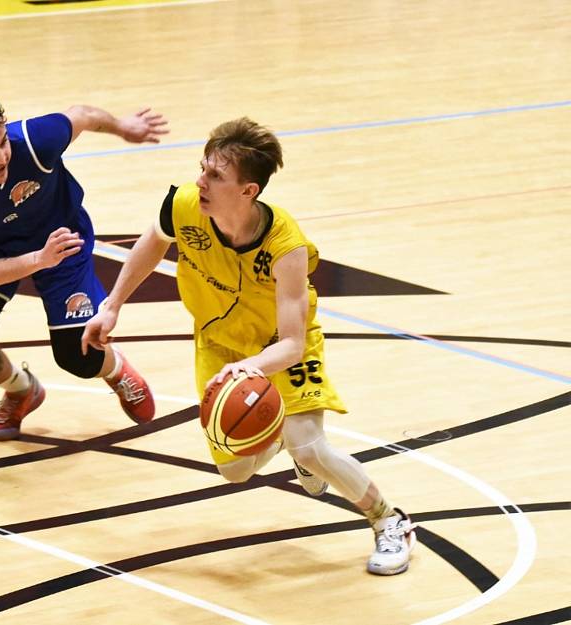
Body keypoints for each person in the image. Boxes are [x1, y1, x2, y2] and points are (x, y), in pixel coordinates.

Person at [81, 117, 416, 575]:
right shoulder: (182, 205)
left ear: (248, 190)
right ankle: (289, 440)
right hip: (218, 346)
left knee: (312, 446)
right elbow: (152, 243)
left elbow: (294, 343)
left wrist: (253, 368)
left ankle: (388, 520)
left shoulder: (285, 247)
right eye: (202, 168)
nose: (201, 181)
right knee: (235, 470)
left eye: (215, 175)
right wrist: (112, 305)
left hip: (278, 346)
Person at [0, 89, 166, 441]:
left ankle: (117, 371)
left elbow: (82, 112)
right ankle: (22, 390)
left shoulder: (36, 143)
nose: (1, 156)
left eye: (2, 142)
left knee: (77, 357)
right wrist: (38, 259)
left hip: (61, 239)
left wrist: (122, 126)